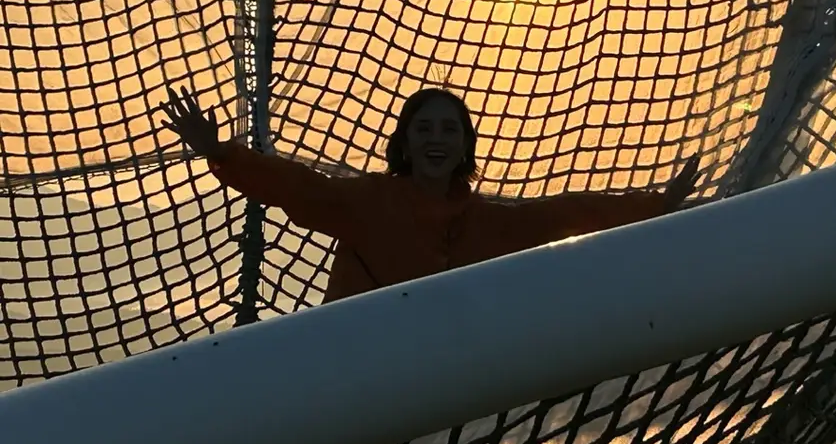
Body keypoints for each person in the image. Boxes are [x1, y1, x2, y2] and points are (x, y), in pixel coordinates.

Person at [160, 86, 700, 304]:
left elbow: (567, 213)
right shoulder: (367, 202)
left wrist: (657, 203)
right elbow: (293, 186)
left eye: (449, 130)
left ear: (465, 144)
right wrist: (222, 152)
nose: (436, 141)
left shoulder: (488, 221)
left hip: (424, 386)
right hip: (340, 368)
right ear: (405, 143)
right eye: (424, 130)